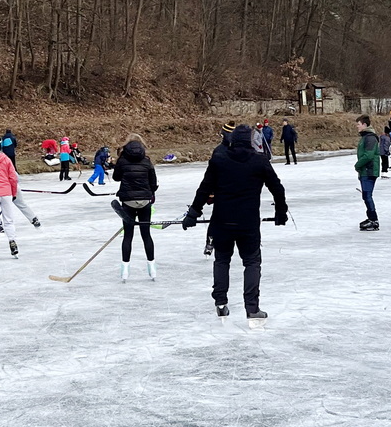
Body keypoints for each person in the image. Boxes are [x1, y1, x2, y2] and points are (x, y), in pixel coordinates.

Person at [183, 124, 287, 321]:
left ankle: (221, 303)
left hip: (222, 221)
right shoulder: (259, 161)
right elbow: (277, 188)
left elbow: (204, 189)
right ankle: (252, 308)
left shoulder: (219, 160)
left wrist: (193, 213)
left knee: (222, 261)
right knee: (252, 262)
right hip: (248, 223)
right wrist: (281, 212)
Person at [112, 135, 158, 281]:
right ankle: (152, 268)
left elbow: (116, 177)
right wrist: (150, 193)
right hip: (144, 201)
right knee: (146, 235)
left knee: (128, 235)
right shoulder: (147, 161)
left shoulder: (122, 161)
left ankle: (125, 270)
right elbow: (153, 183)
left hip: (128, 202)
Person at [355, 115, 380, 230]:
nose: (357, 126)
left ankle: (374, 220)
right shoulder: (365, 137)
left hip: (369, 170)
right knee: (366, 195)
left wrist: (358, 165)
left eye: (358, 124)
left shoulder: (370, 138)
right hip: (365, 170)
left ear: (364, 125)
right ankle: (371, 218)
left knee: (367, 195)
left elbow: (368, 155)